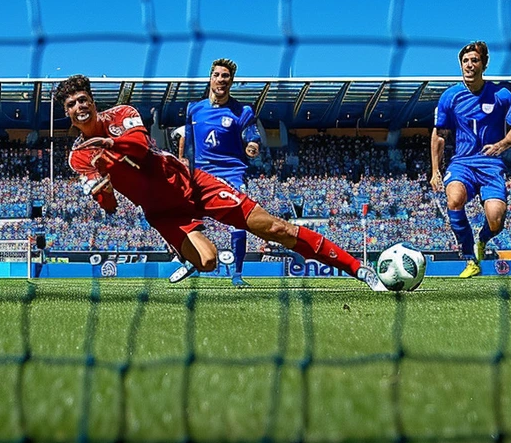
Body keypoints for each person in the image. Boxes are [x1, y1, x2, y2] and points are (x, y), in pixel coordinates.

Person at [56, 74, 387, 291]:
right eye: (72, 105)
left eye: (83, 99)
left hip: (191, 183)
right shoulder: (78, 159)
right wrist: (105, 194)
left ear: (92, 100)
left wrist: (110, 145)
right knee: (209, 260)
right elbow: (111, 207)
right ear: (67, 114)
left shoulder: (120, 114)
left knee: (275, 228)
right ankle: (187, 257)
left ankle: (358, 269)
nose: (79, 107)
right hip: (164, 213)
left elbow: (142, 148)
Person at [430, 41, 511, 278]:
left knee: (496, 221)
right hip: (462, 163)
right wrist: (435, 170)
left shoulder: (501, 95)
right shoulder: (449, 97)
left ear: (484, 64)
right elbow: (440, 135)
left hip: (491, 165)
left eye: (474, 60)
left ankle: (481, 240)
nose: (469, 65)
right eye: (465, 61)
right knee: (454, 199)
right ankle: (470, 259)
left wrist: (502, 145)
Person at [172, 58, 261, 287]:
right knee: (181, 215)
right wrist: (184, 163)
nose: (221, 79)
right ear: (210, 78)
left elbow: (251, 135)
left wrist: (252, 145)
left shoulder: (243, 111)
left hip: (231, 171)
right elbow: (190, 142)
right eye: (217, 75)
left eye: (226, 76)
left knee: (240, 221)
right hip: (200, 171)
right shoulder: (194, 109)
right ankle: (191, 259)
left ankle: (237, 275)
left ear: (231, 81)